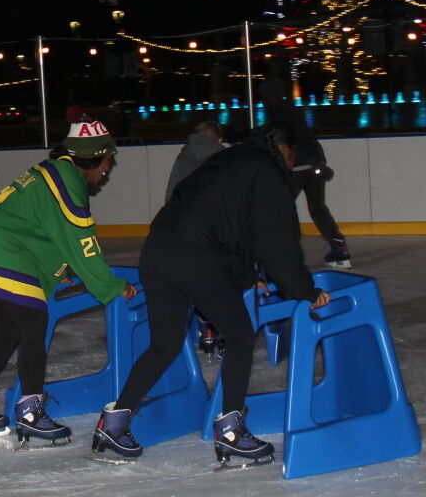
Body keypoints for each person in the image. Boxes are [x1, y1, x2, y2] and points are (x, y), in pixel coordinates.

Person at [91, 120, 330, 468]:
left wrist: (246, 277)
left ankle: (113, 423)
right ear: (284, 149)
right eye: (293, 158)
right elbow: (275, 241)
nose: (292, 166)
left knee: (165, 343)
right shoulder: (266, 171)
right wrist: (305, 291)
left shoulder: (229, 161)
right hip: (194, 254)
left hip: (158, 248)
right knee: (240, 336)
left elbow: (228, 227)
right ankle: (231, 432)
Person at [0, 107, 137, 446]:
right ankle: (31, 411)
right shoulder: (69, 182)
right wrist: (110, 287)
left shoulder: (54, 172)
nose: (109, 169)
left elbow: (42, 230)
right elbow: (82, 243)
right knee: (33, 326)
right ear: (93, 158)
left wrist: (57, 270)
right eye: (108, 160)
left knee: (8, 332)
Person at [268, 100, 350, 269]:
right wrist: (319, 163)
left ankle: (284, 251)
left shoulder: (278, 118)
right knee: (318, 208)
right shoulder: (295, 114)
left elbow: (282, 145)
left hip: (295, 169)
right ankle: (339, 246)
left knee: (281, 208)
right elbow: (310, 141)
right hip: (315, 168)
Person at [164, 117, 225, 200]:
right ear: (219, 140)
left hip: (187, 209)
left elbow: (172, 191)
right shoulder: (223, 158)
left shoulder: (183, 157)